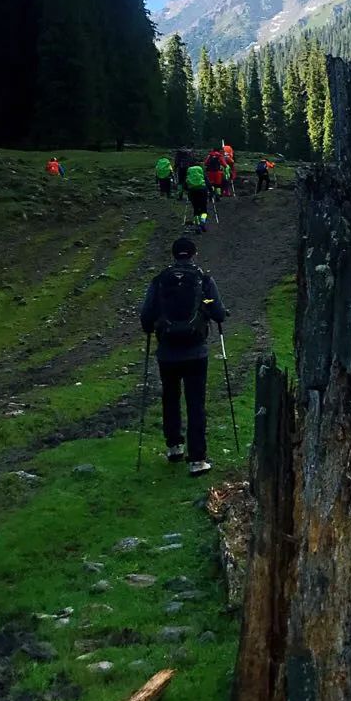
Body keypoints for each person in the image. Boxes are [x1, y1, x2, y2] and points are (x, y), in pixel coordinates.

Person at [139, 236, 228, 475]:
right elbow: (216, 309)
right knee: (195, 403)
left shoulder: (160, 280)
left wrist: (153, 326)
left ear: (173, 254)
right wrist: (210, 308)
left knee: (170, 397)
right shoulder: (203, 279)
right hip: (195, 352)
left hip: (167, 352)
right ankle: (197, 459)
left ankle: (174, 447)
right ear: (194, 253)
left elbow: (146, 315)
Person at [184, 161, 209, 232]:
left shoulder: (189, 171)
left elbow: (185, 183)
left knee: (196, 209)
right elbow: (207, 181)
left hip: (192, 191)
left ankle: (197, 225)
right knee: (204, 209)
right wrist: (211, 190)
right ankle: (203, 222)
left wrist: (187, 190)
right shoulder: (201, 171)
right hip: (202, 190)